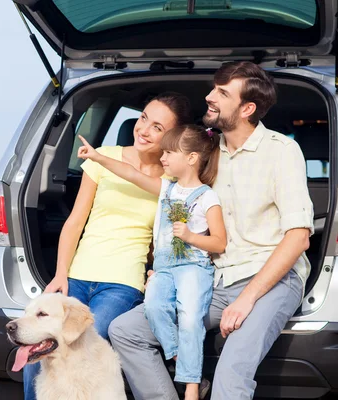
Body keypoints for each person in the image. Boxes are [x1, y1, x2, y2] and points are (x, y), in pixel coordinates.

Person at [108, 61, 314, 400]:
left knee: (230, 378)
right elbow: (174, 206)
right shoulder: (203, 152)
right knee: (126, 331)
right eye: (213, 89)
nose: (209, 97)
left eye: (221, 93)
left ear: (247, 108)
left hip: (270, 280)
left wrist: (246, 300)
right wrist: (162, 272)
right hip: (211, 278)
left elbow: (298, 237)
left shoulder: (282, 151)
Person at [22, 92, 193, 400]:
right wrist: (61, 274)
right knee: (40, 344)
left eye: (157, 127)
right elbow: (74, 222)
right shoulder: (103, 155)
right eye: (143, 118)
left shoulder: (173, 179)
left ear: (173, 137)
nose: (143, 130)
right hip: (77, 275)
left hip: (122, 284)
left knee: (86, 343)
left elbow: (172, 237)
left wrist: (160, 274)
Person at [77, 124, 226, 400]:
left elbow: (219, 242)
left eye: (169, 152)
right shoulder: (166, 189)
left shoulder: (207, 196)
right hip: (165, 268)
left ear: (191, 158)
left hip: (193, 265)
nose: (162, 158)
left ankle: (191, 388)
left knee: (191, 318)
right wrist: (98, 158)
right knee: (155, 308)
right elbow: (130, 173)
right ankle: (182, 358)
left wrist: (191, 236)